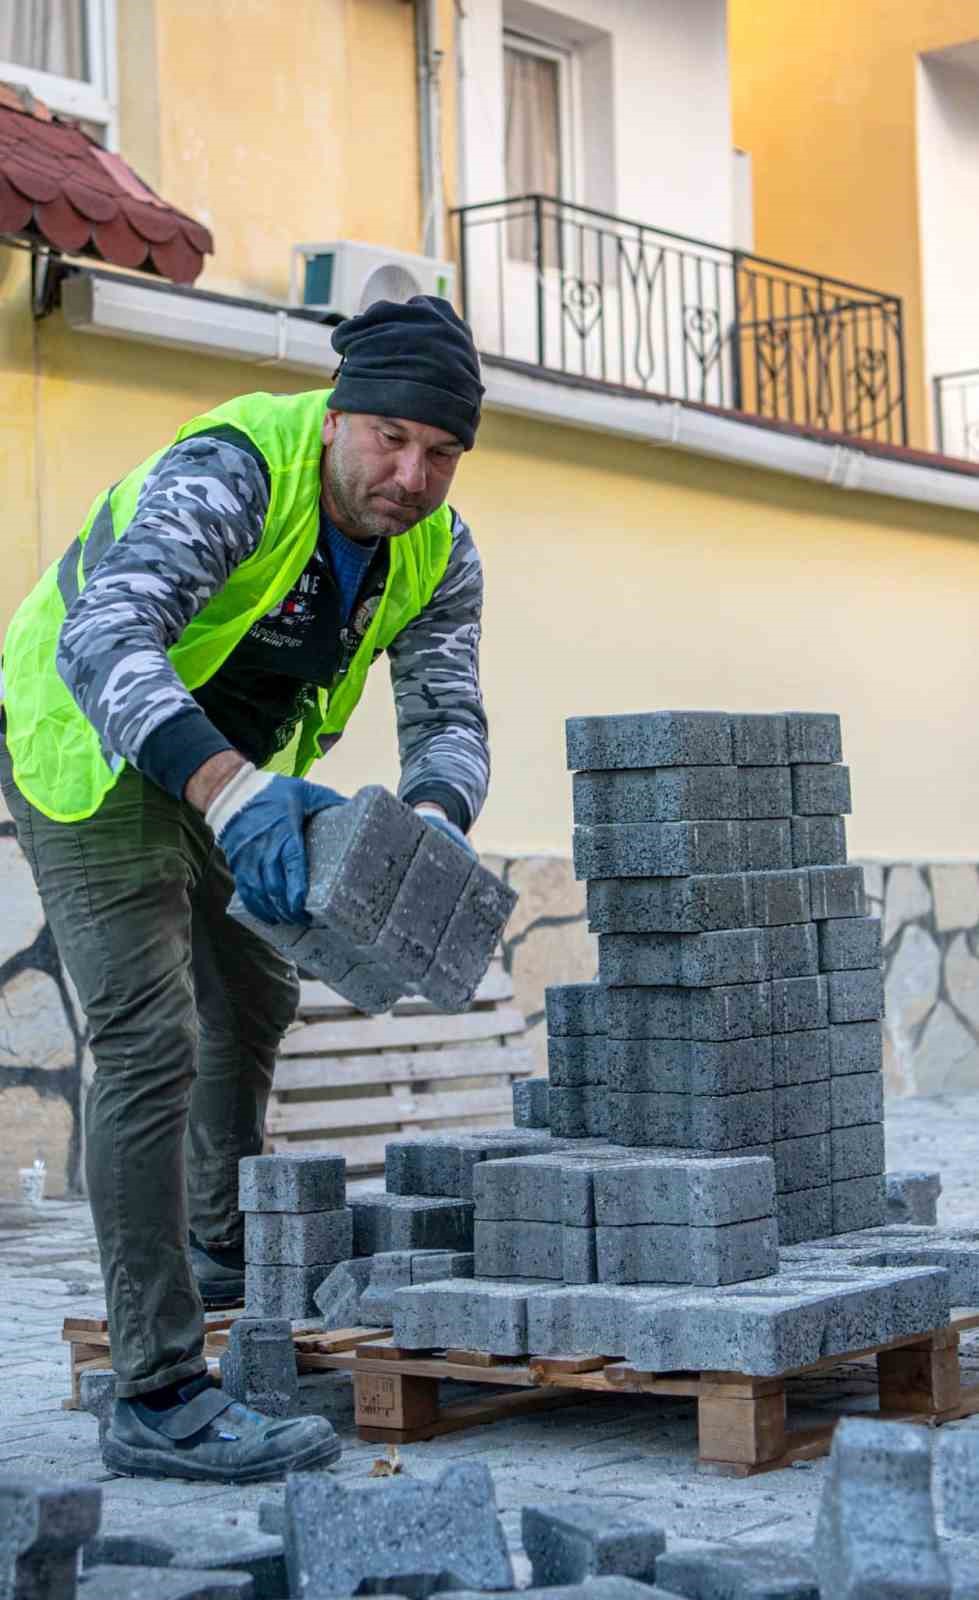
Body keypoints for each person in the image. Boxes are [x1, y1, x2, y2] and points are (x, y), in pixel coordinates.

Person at [0, 295, 488, 1481]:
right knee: (148, 1034)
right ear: (336, 416)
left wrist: (426, 828)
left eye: (441, 451)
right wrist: (227, 792)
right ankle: (159, 1390)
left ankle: (217, 1249)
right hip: (97, 742)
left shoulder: (439, 548)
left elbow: (448, 708)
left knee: (255, 996)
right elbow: (107, 637)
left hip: (236, 769)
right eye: (389, 438)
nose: (411, 474)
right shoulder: (234, 472)